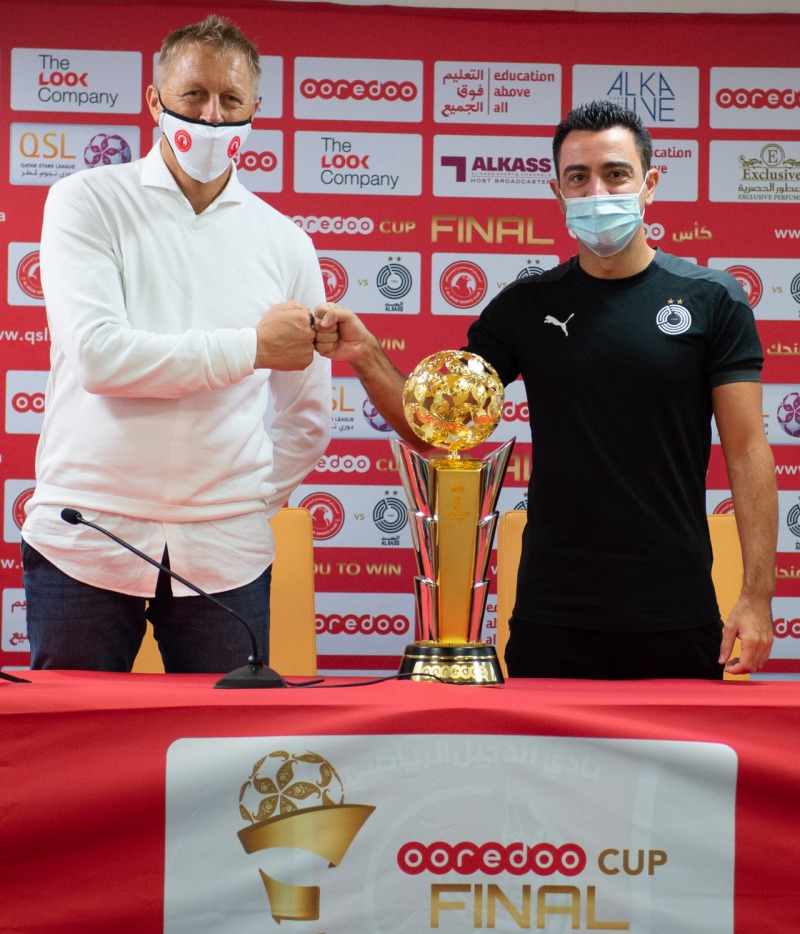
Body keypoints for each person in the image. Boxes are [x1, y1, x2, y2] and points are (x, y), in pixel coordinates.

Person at [314, 100, 778, 680]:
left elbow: (748, 450)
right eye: (578, 178)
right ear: (557, 192)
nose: (596, 191)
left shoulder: (714, 299)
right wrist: (365, 355)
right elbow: (433, 428)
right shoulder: (525, 307)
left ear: (649, 184)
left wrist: (758, 594)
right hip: (552, 610)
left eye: (616, 174)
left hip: (674, 607)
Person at [22, 15, 334, 673]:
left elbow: (307, 417)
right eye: (194, 95)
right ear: (154, 99)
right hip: (86, 539)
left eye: (230, 99)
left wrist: (241, 502)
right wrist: (252, 346)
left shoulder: (286, 243)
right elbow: (101, 357)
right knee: (72, 759)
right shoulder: (85, 201)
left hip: (227, 554)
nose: (212, 116)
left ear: (256, 109)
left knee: (227, 764)